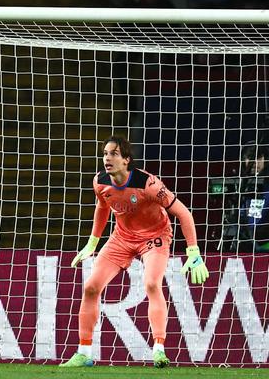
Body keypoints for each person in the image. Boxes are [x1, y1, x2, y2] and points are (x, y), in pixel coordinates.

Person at [60, 136, 210, 368]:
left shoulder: (148, 184)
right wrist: (92, 243)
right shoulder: (99, 182)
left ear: (126, 160)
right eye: (105, 153)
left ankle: (158, 350)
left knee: (151, 284)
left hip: (155, 237)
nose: (107, 158)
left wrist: (194, 251)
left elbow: (183, 213)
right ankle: (83, 353)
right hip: (122, 238)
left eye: (113, 154)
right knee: (90, 287)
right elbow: (102, 208)